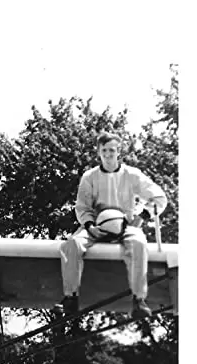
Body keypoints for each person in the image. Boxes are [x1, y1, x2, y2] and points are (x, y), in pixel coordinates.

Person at [58, 131, 168, 319]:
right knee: (72, 244)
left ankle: (139, 300)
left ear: (119, 152)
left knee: (139, 244)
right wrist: (90, 225)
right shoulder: (89, 177)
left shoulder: (132, 174)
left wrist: (143, 215)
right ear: (98, 152)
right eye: (104, 150)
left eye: (112, 150)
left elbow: (159, 197)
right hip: (96, 226)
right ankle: (70, 297)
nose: (108, 154)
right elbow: (82, 207)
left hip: (126, 225)